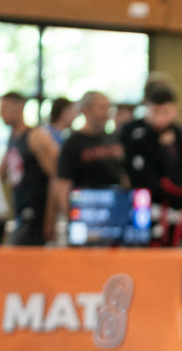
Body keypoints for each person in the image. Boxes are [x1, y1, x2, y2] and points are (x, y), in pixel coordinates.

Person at [48, 91, 127, 241]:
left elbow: (124, 178)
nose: (106, 113)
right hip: (85, 219)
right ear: (85, 109)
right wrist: (73, 219)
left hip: (114, 221)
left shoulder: (114, 139)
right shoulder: (72, 143)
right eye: (101, 107)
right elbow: (62, 184)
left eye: (108, 108)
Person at [121, 76, 182, 230]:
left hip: (181, 209)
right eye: (156, 111)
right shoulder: (137, 137)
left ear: (175, 110)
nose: (160, 117)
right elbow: (139, 177)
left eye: (165, 112)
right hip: (150, 208)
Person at [0, 92, 57, 245]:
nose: (1, 113)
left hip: (37, 215)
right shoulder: (13, 138)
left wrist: (50, 219)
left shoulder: (35, 136)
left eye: (5, 107)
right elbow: (0, 174)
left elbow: (56, 175)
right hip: (21, 212)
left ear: (20, 107)